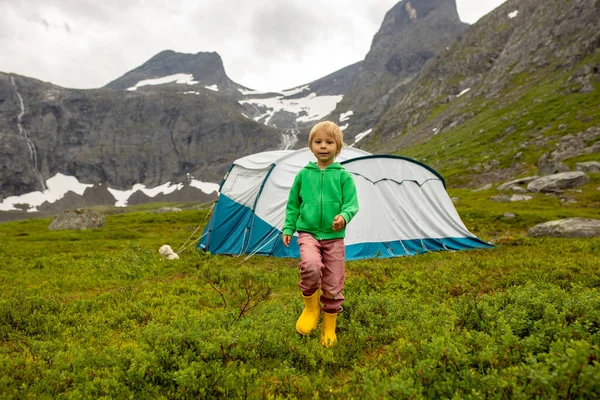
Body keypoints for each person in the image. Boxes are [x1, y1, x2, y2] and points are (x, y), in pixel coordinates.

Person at [281, 121, 359, 348]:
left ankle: (329, 324)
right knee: (311, 265)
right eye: (318, 142)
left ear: (338, 147)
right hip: (309, 233)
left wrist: (344, 216)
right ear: (311, 146)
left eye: (329, 142)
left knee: (334, 283)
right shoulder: (303, 175)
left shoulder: (343, 176)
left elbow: (352, 204)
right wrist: (289, 227)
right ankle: (311, 307)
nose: (323, 146)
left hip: (334, 237)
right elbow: (293, 204)